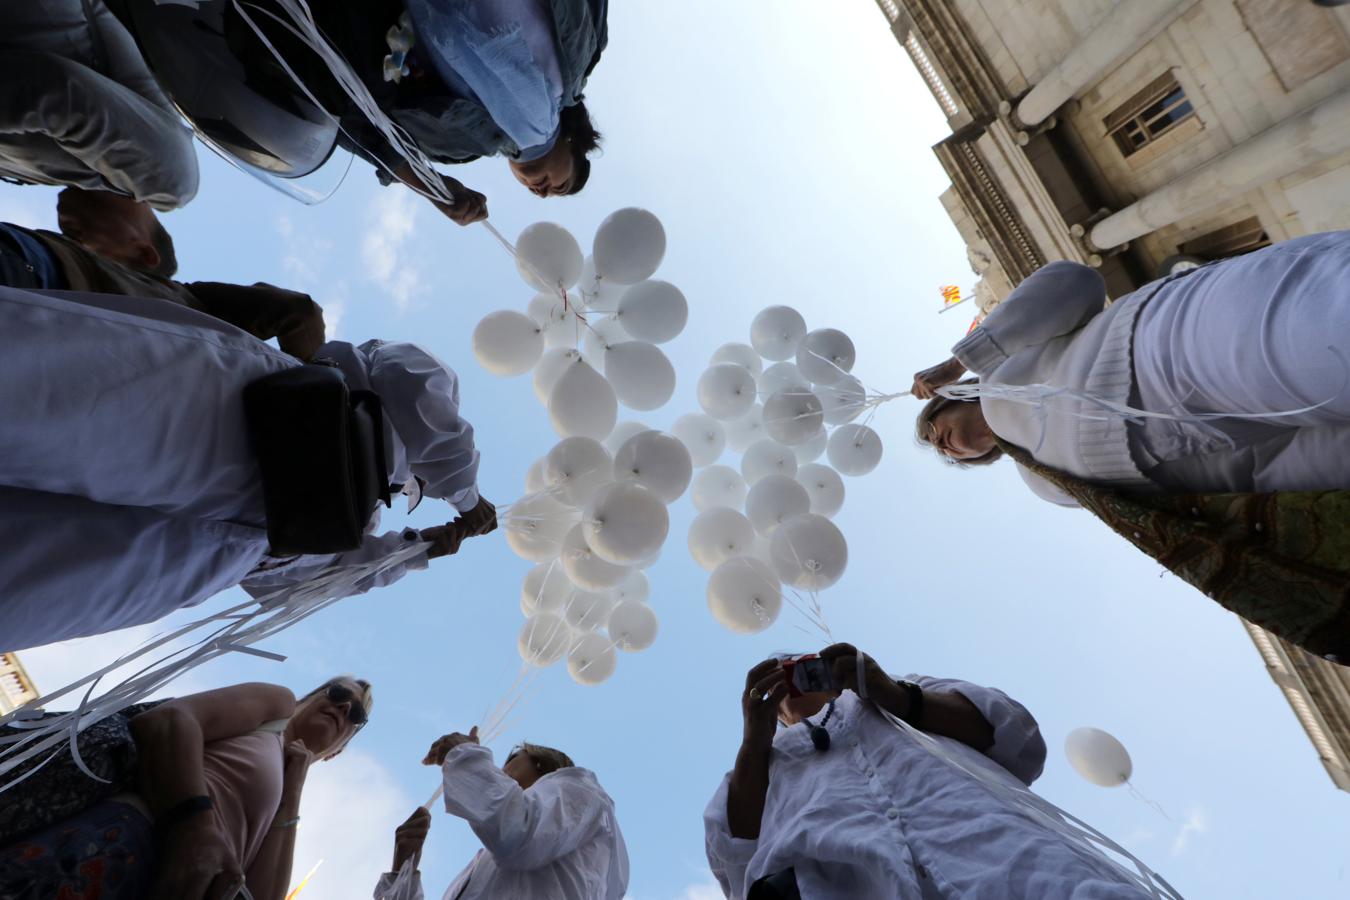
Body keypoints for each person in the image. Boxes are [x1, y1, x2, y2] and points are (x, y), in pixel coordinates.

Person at [0, 284, 495, 652]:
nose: (414, 488)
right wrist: (468, 500)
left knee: (27, 589)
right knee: (33, 396)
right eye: (418, 485)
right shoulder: (411, 389)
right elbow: (415, 389)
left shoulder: (353, 520)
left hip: (213, 552)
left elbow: (301, 587)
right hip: (243, 418)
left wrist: (413, 551)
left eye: (414, 491)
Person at [912, 232, 1350, 502]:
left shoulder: (1000, 364)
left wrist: (960, 361)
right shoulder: (1042, 485)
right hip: (1216, 439)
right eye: (942, 453)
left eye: (934, 432)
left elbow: (1073, 281)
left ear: (951, 398)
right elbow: (1240, 472)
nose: (943, 446)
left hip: (1168, 343)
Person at [704, 645, 1165, 899]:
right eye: (776, 676)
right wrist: (754, 741)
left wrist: (897, 696)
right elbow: (735, 857)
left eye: (801, 665)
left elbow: (1018, 739)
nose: (792, 678)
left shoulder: (904, 691)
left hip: (1015, 864)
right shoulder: (762, 759)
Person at [222, 0, 608, 225]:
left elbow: (360, 115)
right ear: (575, 141)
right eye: (559, 184)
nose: (542, 193)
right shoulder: (577, 57)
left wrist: (426, 183)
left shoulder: (457, 146)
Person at [0, 676, 373, 900]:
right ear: (311, 696)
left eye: (355, 714)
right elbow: (169, 719)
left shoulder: (287, 790)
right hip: (116, 844)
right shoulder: (276, 706)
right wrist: (194, 825)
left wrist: (293, 790)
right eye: (338, 693)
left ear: (338, 751)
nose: (343, 708)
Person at [0, 187, 325, 359]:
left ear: (143, 253)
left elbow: (299, 312)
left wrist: (312, 376)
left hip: (31, 275)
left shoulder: (191, 301)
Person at [374, 727, 629, 900]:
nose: (499, 770)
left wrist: (464, 754)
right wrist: (402, 871)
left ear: (540, 761)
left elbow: (517, 831)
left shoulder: (580, 791)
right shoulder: (484, 862)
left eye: (510, 760)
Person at [0, 0, 198, 210]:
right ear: (141, 244)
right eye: (81, 245)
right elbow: (61, 93)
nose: (74, 242)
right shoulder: (168, 184)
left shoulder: (55, 177)